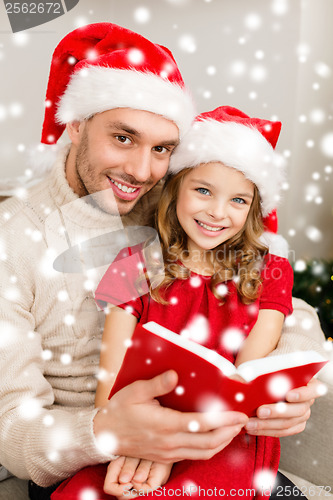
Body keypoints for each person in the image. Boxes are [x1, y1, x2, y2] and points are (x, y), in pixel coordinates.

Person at [0, 22, 326, 500]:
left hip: (211, 438)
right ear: (74, 125)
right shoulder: (14, 238)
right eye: (123, 138)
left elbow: (282, 300)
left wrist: (277, 380)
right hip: (94, 462)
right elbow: (11, 427)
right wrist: (111, 433)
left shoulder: (174, 207)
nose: (140, 171)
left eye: (161, 150)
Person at [50, 106, 321, 500]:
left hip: (224, 436)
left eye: (238, 200)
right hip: (139, 429)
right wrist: (143, 447)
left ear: (252, 211)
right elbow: (109, 388)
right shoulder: (132, 265)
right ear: (175, 189)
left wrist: (176, 449)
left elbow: (242, 387)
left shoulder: (270, 272)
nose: (217, 212)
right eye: (203, 190)